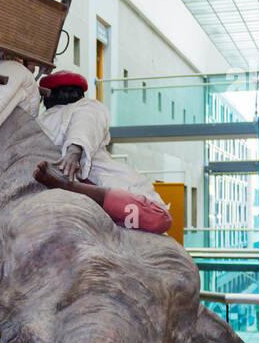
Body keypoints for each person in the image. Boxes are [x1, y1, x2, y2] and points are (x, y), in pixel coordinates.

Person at [32, 71, 173, 234]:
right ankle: (70, 188)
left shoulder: (40, 121)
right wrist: (74, 151)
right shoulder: (89, 106)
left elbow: (84, 125)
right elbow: (86, 122)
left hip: (60, 177)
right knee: (161, 217)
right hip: (88, 181)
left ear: (47, 95)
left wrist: (75, 150)